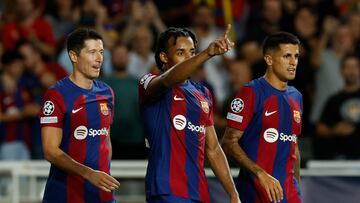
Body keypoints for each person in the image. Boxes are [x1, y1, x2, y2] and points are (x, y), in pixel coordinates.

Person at [139, 25, 240, 203]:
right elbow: (168, 79)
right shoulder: (149, 82)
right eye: (181, 53)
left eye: (192, 52)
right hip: (166, 190)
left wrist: (233, 193)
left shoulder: (203, 93)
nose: (188, 58)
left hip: (198, 193)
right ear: (164, 57)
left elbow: (214, 149)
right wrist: (206, 54)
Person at [39, 28, 120, 202]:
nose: (99, 59)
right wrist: (89, 173)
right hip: (65, 194)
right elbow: (50, 151)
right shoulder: (56, 95)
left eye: (101, 52)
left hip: (101, 193)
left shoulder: (107, 92)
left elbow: (105, 139)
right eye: (92, 52)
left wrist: (102, 175)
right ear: (74, 57)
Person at [222, 32, 302, 203]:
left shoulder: (296, 97)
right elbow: (229, 142)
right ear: (269, 59)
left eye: (296, 56)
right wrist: (260, 173)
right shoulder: (250, 92)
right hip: (255, 193)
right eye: (287, 56)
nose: (293, 62)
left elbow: (293, 146)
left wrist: (297, 185)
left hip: (290, 194)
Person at [315, 55, 360, 159]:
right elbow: (319, 128)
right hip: (340, 158)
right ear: (341, 71)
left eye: (355, 67)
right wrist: (334, 130)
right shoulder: (334, 100)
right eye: (348, 67)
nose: (351, 71)